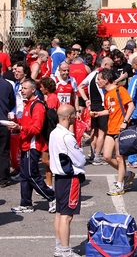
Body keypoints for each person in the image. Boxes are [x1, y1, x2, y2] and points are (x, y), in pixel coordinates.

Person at [9, 79, 56, 213]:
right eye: (22, 88)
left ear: (33, 90)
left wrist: (20, 127)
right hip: (25, 144)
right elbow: (26, 123)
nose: (22, 90)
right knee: (24, 175)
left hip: (32, 145)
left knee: (31, 174)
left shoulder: (37, 106)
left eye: (25, 88)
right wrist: (15, 121)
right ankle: (26, 203)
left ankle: (51, 197)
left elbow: (36, 128)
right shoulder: (28, 104)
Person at [49, 104, 85, 257]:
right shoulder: (67, 137)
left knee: (59, 212)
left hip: (58, 178)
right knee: (67, 215)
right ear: (69, 117)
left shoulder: (54, 133)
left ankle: (59, 246)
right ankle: (65, 250)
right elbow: (80, 160)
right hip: (70, 178)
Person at [92, 68, 135, 196]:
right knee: (106, 156)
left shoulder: (120, 90)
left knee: (119, 157)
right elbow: (109, 110)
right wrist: (98, 113)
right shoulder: (106, 93)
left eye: (99, 79)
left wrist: (125, 121)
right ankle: (126, 174)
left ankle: (120, 184)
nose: (97, 82)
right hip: (111, 128)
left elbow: (131, 106)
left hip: (120, 128)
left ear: (106, 80)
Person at [78, 57, 113, 165]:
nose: (111, 69)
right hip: (102, 106)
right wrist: (86, 100)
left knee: (95, 131)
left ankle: (93, 154)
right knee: (102, 133)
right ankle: (97, 156)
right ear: (105, 64)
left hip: (93, 106)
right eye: (111, 66)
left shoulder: (92, 74)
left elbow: (80, 86)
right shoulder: (101, 76)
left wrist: (86, 100)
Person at [40, 77, 60, 189]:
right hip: (49, 132)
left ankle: (59, 170)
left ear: (47, 88)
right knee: (47, 162)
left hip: (49, 133)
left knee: (45, 160)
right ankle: (49, 185)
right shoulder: (50, 97)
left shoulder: (51, 99)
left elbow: (51, 116)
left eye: (42, 87)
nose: (41, 89)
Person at [0, 71, 16, 187]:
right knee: (3, 151)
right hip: (3, 121)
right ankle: (3, 178)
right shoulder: (7, 85)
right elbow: (12, 103)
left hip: (3, 121)